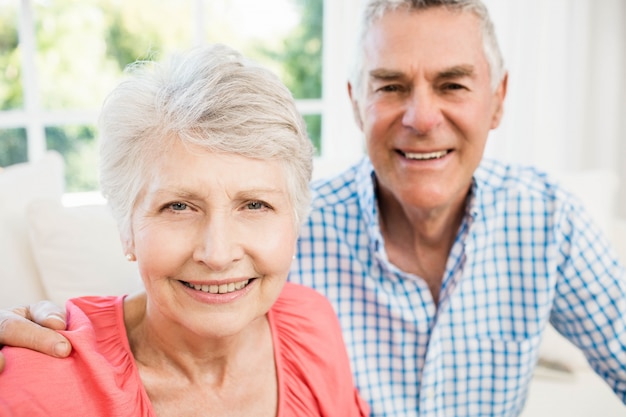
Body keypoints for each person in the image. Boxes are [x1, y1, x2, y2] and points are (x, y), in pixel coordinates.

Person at [1, 0, 626, 416]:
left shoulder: (547, 221)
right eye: (391, 86)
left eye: (453, 84)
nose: (422, 117)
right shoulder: (291, 234)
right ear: (356, 102)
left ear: (498, 100)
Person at [0, 43, 369, 417]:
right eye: (178, 206)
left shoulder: (311, 324)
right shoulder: (42, 377)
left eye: (255, 205)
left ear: (295, 223)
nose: (218, 254)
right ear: (126, 229)